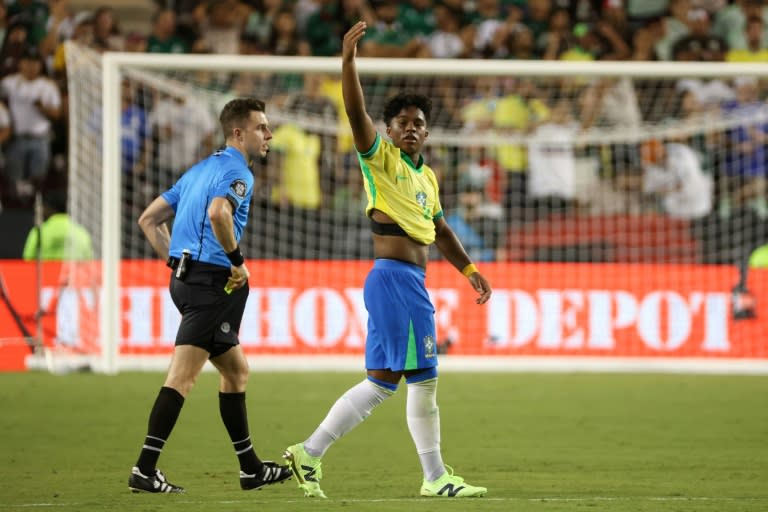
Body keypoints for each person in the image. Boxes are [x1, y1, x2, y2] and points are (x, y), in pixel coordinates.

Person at [283, 21, 492, 499]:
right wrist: (348, 61)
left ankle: (309, 453)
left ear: (427, 130)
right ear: (390, 131)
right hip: (396, 280)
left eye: (419, 123)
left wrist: (470, 270)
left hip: (403, 282)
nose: (411, 130)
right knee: (424, 380)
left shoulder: (428, 179)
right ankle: (436, 477)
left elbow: (439, 230)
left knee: (381, 383)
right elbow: (356, 111)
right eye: (403, 124)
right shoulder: (380, 159)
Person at [128, 98, 291, 493]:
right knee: (182, 378)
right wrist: (236, 261)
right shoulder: (238, 173)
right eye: (261, 127)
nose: (269, 135)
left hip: (187, 281)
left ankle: (251, 469)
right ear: (238, 133)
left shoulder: (198, 170)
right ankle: (144, 470)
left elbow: (148, 219)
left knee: (236, 373)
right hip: (213, 285)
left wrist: (178, 261)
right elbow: (220, 213)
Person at [22, 191, 93, 261]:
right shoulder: (81, 233)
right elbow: (88, 261)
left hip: (45, 272)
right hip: (72, 272)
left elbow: (28, 259)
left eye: (43, 207)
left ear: (49, 208)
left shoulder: (38, 232)